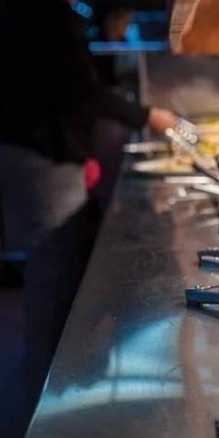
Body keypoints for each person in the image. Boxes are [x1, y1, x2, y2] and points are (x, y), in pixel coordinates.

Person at [0, 1, 178, 435]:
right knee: (53, 272)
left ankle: (50, 385)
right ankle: (44, 404)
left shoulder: (49, 14)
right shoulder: (46, 14)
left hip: (39, 151)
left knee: (56, 272)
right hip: (42, 154)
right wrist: (146, 116)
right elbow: (80, 90)